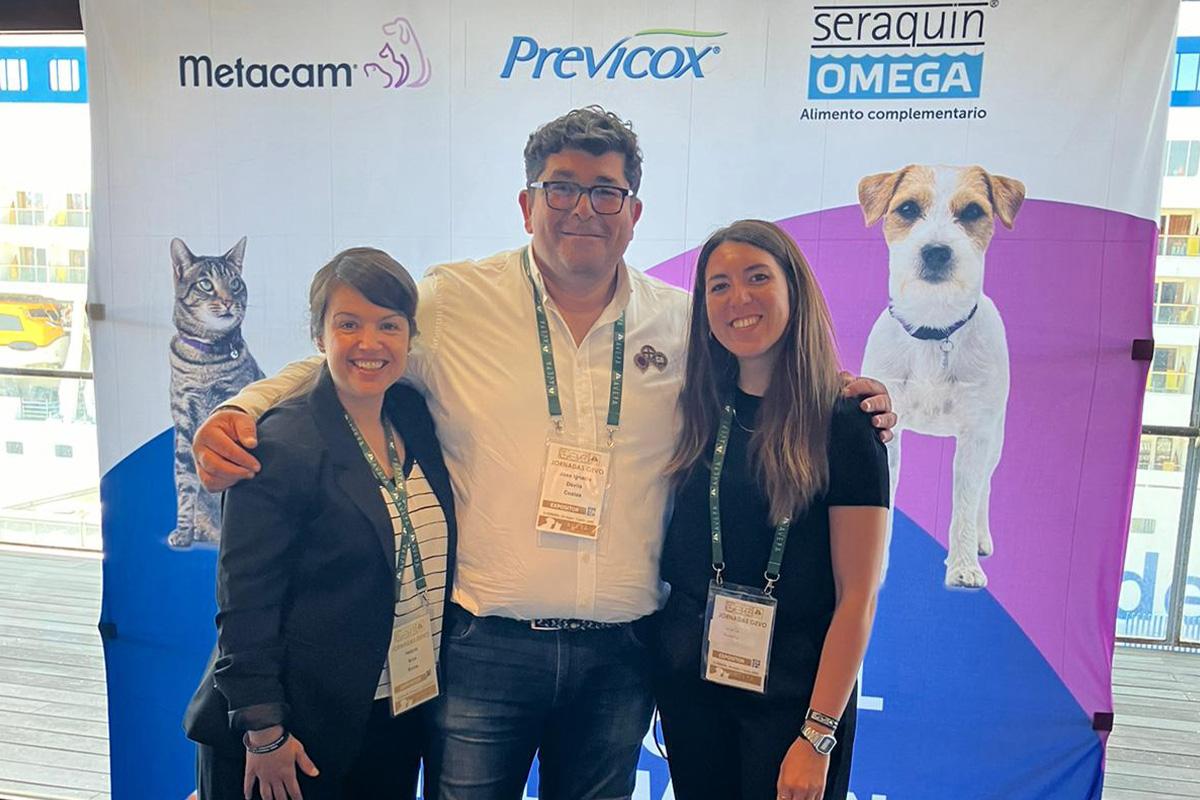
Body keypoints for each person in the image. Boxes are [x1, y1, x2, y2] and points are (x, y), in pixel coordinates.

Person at [191, 107, 896, 800]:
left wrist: (844, 394)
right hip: (484, 651)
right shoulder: (455, 301)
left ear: (634, 213)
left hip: (622, 657)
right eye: (561, 189)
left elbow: (764, 367)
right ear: (527, 205)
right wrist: (239, 408)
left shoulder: (683, 322)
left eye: (605, 192)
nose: (582, 209)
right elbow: (355, 353)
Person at [182, 248, 457, 800]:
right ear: (318, 335)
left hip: (393, 712)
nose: (370, 343)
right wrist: (264, 731)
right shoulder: (280, 443)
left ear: (410, 336)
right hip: (294, 730)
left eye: (388, 325)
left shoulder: (414, 418)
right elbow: (244, 603)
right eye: (348, 324)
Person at [654, 220, 889, 800]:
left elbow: (857, 596)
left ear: (794, 290)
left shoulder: (845, 423)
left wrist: (818, 734)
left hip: (796, 704)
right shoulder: (697, 409)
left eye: (758, 277)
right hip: (695, 694)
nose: (739, 298)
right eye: (719, 285)